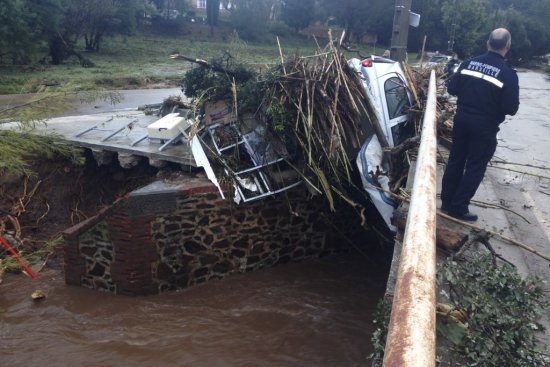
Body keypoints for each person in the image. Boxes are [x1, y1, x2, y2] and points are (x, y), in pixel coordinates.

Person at [440, 28, 520, 221]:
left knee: (456, 160)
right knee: (475, 167)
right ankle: (458, 207)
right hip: (484, 126)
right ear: (507, 46)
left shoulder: (468, 63)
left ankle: (447, 202)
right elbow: (511, 108)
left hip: (461, 120)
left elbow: (452, 88)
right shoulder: (508, 74)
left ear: (488, 43)